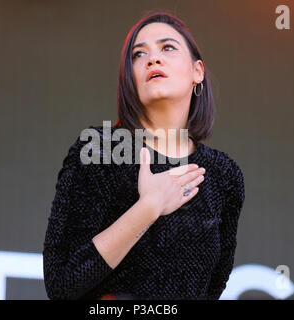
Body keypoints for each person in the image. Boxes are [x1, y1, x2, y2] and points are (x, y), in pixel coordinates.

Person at [43, 10, 245, 300]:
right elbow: (62, 283)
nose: (153, 58)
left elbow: (211, 289)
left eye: (168, 48)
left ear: (197, 71)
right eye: (139, 54)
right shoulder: (100, 150)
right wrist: (149, 207)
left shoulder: (223, 175)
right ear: (131, 79)